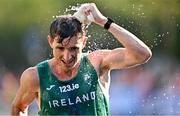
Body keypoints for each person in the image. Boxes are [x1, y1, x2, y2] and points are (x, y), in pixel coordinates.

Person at [11, 3, 152, 116]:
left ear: (84, 42)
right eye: (60, 48)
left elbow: (142, 54)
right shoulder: (35, 76)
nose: (67, 57)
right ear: (50, 42)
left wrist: (103, 21)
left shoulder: (97, 62)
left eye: (74, 49)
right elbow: (19, 107)